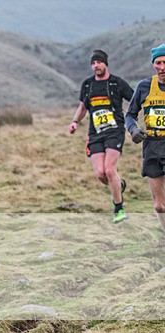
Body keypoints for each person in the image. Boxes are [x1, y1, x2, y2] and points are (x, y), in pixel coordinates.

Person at [68, 49, 134, 223]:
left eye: (99, 62)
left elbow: (134, 99)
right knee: (100, 174)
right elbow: (83, 107)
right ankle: (119, 186)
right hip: (95, 133)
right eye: (93, 63)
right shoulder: (88, 85)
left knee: (110, 170)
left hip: (115, 131)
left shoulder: (117, 83)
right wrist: (75, 122)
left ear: (105, 63)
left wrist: (133, 120)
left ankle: (119, 209)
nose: (96, 66)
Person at [125, 44, 165, 232]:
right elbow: (130, 114)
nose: (162, 67)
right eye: (158, 63)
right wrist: (133, 130)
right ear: (153, 65)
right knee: (159, 206)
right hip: (152, 146)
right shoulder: (144, 86)